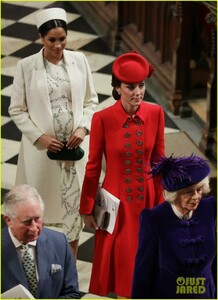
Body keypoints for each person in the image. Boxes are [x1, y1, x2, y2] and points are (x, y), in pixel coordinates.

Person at [8, 7, 98, 258]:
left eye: (62, 39)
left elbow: (92, 101)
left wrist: (83, 127)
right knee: (40, 211)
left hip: (75, 153)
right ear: (41, 37)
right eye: (52, 40)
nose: (58, 45)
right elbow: (16, 110)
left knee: (73, 210)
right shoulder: (26, 67)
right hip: (43, 154)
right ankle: (41, 265)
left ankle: (69, 266)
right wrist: (40, 137)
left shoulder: (79, 61)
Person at [79, 51, 165, 297]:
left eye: (141, 85)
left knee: (148, 265)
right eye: (130, 87)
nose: (138, 92)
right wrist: (87, 208)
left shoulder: (156, 113)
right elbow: (93, 167)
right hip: (117, 205)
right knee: (123, 269)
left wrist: (160, 206)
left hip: (148, 201)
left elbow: (159, 163)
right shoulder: (101, 119)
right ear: (117, 89)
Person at [132, 154, 216, 299]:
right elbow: (143, 271)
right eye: (189, 192)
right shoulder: (154, 219)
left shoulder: (209, 208)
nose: (196, 196)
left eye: (199, 190)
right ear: (174, 194)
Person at [1, 184, 81, 299]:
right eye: (27, 221)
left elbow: (72, 293)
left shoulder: (60, 242)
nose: (34, 228)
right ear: (8, 220)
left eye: (37, 219)